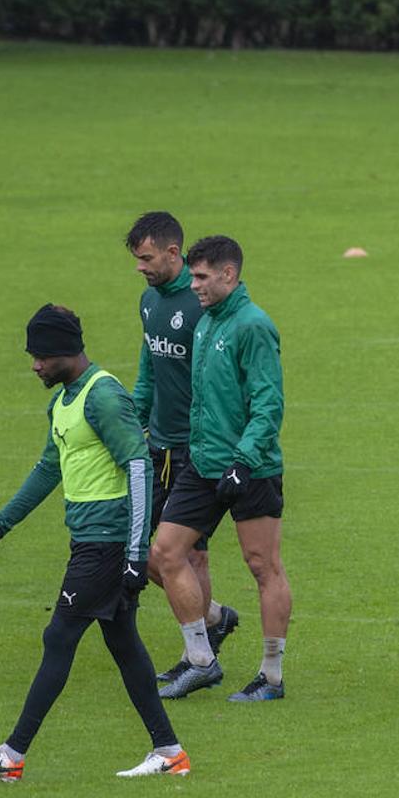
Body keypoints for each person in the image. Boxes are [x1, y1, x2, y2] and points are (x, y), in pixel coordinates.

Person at [0, 305, 189, 781]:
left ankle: (12, 755)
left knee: (58, 636)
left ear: (65, 350)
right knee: (125, 645)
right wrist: (0, 525)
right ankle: (168, 752)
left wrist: (134, 554)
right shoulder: (63, 401)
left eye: (40, 356)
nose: (34, 365)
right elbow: (49, 469)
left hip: (106, 543)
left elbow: (140, 466)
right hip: (89, 539)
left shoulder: (104, 397)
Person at [148, 235, 290, 702]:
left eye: (203, 277)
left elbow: (269, 403)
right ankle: (201, 661)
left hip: (250, 468)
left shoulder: (253, 326)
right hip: (203, 464)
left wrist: (244, 461)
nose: (195, 286)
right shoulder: (207, 322)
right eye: (192, 276)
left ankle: (271, 676)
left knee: (262, 566)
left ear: (229, 274)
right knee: (165, 553)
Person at [125, 212, 239, 683]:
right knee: (153, 555)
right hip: (159, 445)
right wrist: (136, 417)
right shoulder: (149, 301)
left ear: (175, 253)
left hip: (197, 449)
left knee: (187, 555)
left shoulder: (200, 306)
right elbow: (149, 364)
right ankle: (212, 619)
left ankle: (199, 656)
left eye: (147, 258)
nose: (140, 267)